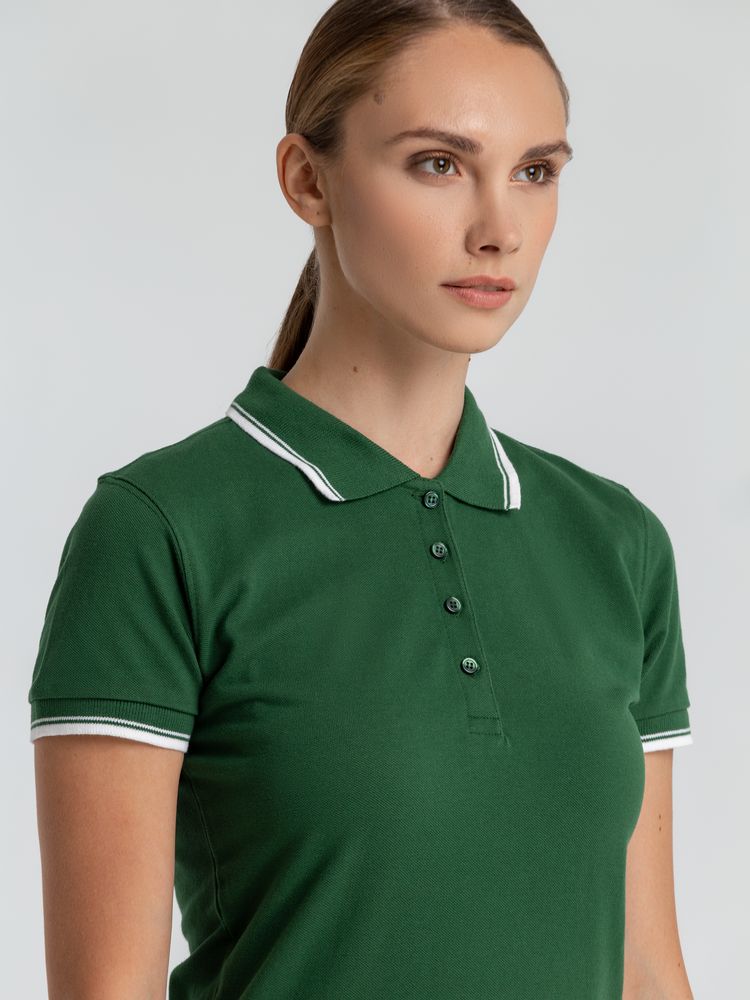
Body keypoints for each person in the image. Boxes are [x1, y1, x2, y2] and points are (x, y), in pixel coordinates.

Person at [28, 1, 695, 998]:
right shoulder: (160, 530)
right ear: (308, 180)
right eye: (438, 163)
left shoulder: (615, 542)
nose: (499, 230)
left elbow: (646, 966)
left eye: (535, 171)